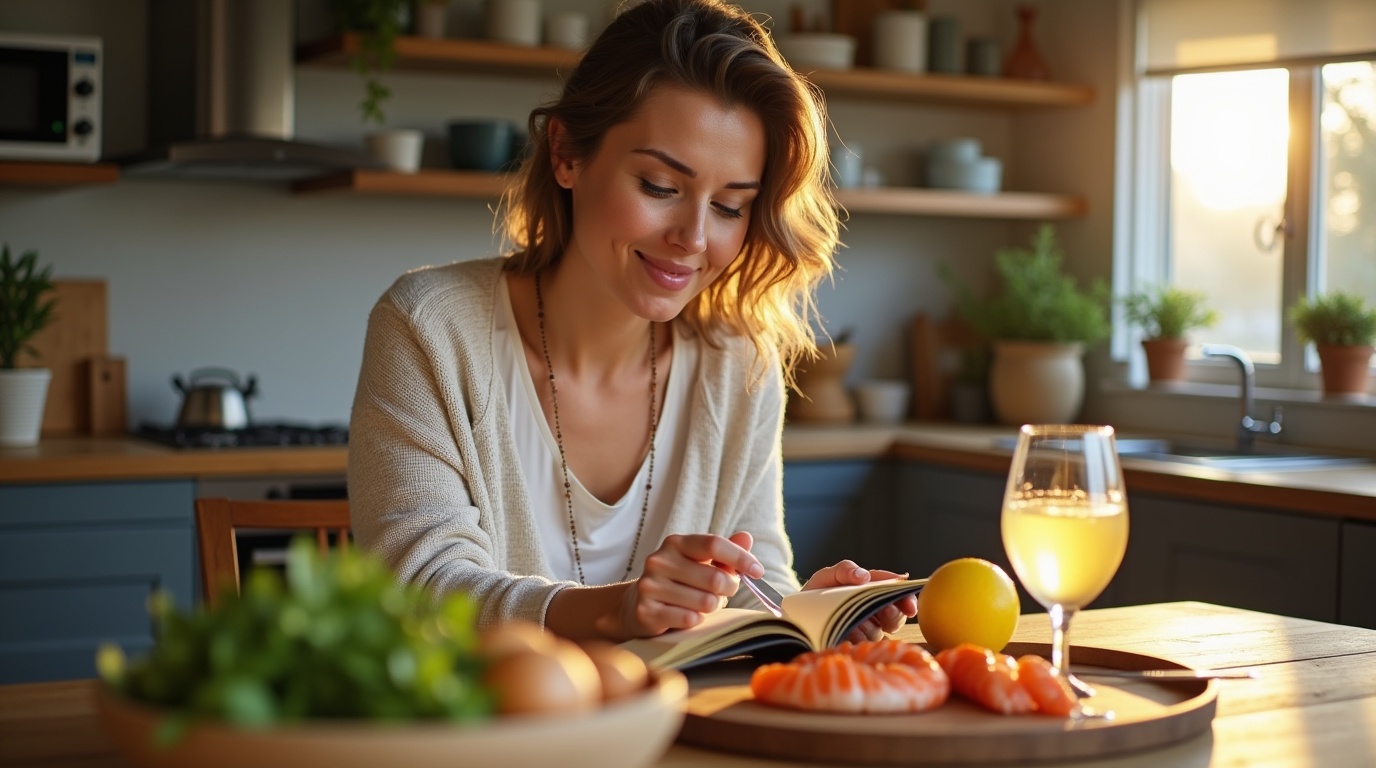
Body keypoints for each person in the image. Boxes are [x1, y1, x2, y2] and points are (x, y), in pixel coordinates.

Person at [348, 0, 916, 643]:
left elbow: (754, 582)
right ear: (565, 153)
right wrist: (614, 610)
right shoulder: (431, 329)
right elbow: (418, 587)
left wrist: (801, 614)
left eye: (731, 206)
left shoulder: (737, 362)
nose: (693, 238)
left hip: (670, 736)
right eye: (659, 186)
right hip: (475, 735)